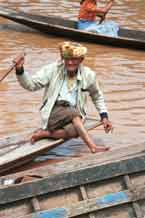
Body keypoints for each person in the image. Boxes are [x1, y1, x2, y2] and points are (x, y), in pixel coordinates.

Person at [14, 41, 113, 153]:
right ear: (63, 59)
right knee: (75, 115)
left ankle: (44, 134)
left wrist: (104, 116)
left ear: (81, 60)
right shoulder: (52, 70)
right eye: (67, 59)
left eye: (74, 59)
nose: (70, 62)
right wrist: (20, 70)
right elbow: (31, 85)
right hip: (54, 112)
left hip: (74, 116)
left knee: (76, 131)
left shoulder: (89, 75)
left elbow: (97, 96)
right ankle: (93, 147)